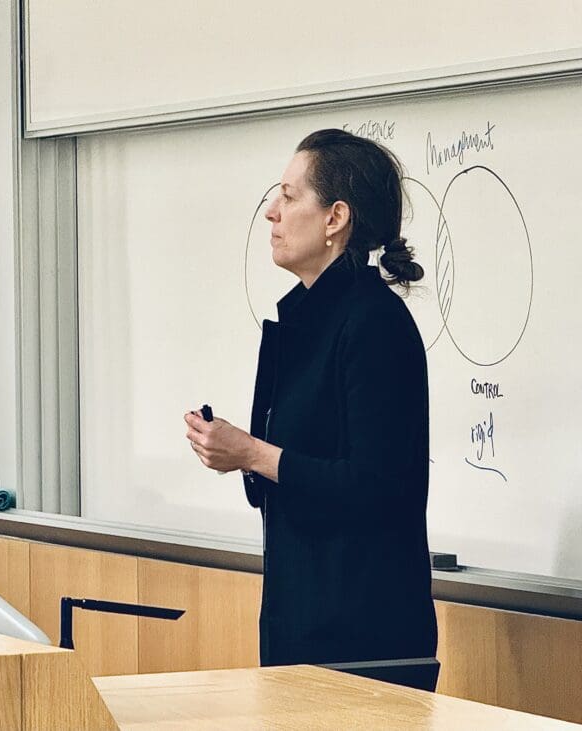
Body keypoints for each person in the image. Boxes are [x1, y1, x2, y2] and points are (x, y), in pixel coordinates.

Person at [184, 128, 437, 691]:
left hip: (363, 639)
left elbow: (376, 486)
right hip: (299, 622)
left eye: (289, 196)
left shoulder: (375, 324)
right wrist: (240, 456)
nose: (272, 212)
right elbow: (284, 479)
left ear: (335, 219)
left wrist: (251, 452)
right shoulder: (298, 320)